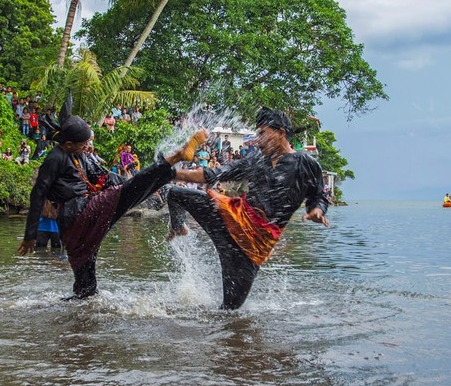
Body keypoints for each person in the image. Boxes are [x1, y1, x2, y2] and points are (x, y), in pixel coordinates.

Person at [17, 97, 208, 300]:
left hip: (80, 221)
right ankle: (177, 156)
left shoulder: (79, 155)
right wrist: (30, 235)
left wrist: (142, 186)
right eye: (83, 143)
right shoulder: (54, 157)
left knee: (86, 288)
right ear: (69, 144)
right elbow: (38, 193)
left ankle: (76, 319)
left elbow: (106, 177)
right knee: (126, 192)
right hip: (79, 214)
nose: (87, 146)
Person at [165, 107, 330, 310]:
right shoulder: (256, 160)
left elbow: (318, 195)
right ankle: (178, 227)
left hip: (248, 251)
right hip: (227, 221)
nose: (258, 139)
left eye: (262, 133)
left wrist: (317, 211)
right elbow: (214, 173)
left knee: (229, 313)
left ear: (281, 133)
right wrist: (171, 174)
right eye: (257, 133)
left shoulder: (305, 163)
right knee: (175, 193)